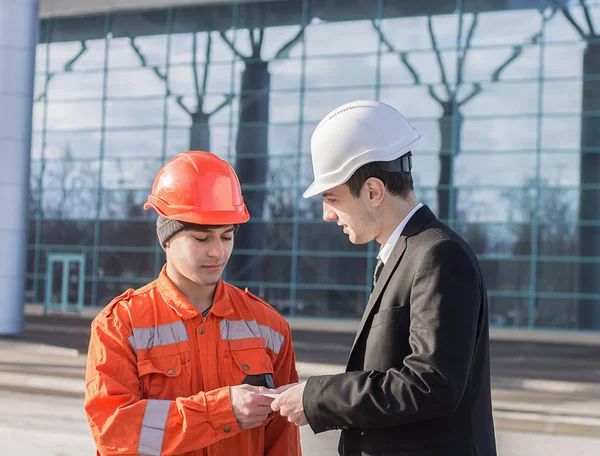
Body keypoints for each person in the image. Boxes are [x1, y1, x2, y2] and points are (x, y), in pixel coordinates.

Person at [271, 101, 497, 456]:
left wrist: (316, 396)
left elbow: (431, 384)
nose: (327, 215)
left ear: (374, 191)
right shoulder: (407, 254)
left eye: (331, 198)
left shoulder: (438, 255)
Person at [85, 151, 301, 456]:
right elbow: (113, 432)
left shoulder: (270, 327)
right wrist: (220, 412)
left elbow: (283, 444)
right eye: (202, 239)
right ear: (168, 238)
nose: (218, 252)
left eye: (227, 237)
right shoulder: (120, 325)